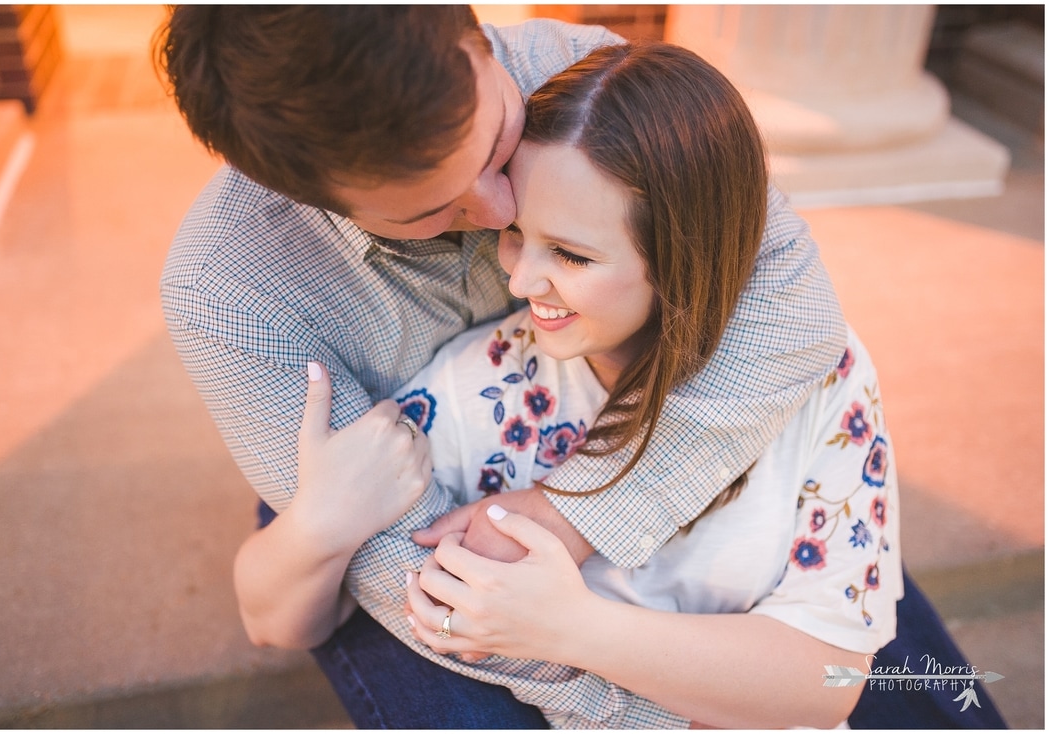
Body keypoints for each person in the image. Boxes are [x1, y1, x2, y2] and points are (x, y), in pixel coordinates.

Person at [156, 6, 1002, 729]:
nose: (498, 221)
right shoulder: (229, 292)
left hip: (648, 408)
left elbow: (784, 300)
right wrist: (636, 697)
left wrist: (578, 513)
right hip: (379, 475)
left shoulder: (582, 78)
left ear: (478, 41)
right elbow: (429, 578)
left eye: (496, 145)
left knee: (918, 690)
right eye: (431, 209)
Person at [357, 39, 892, 728]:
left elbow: (829, 680)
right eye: (517, 233)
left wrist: (573, 629)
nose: (518, 281)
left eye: (573, 254)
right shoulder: (474, 389)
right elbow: (347, 593)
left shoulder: (823, 378)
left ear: (682, 258)